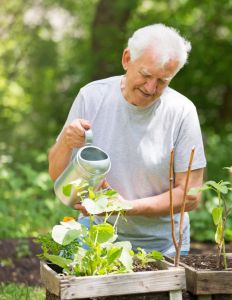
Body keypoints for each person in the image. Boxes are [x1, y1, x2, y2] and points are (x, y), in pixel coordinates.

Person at [48, 23, 206, 256]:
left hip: (160, 245)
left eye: (163, 81)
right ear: (127, 59)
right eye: (146, 75)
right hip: (94, 236)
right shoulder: (92, 97)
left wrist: (126, 207)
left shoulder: (182, 112)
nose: (151, 88)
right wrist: (65, 142)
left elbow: (191, 196)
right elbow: (57, 176)